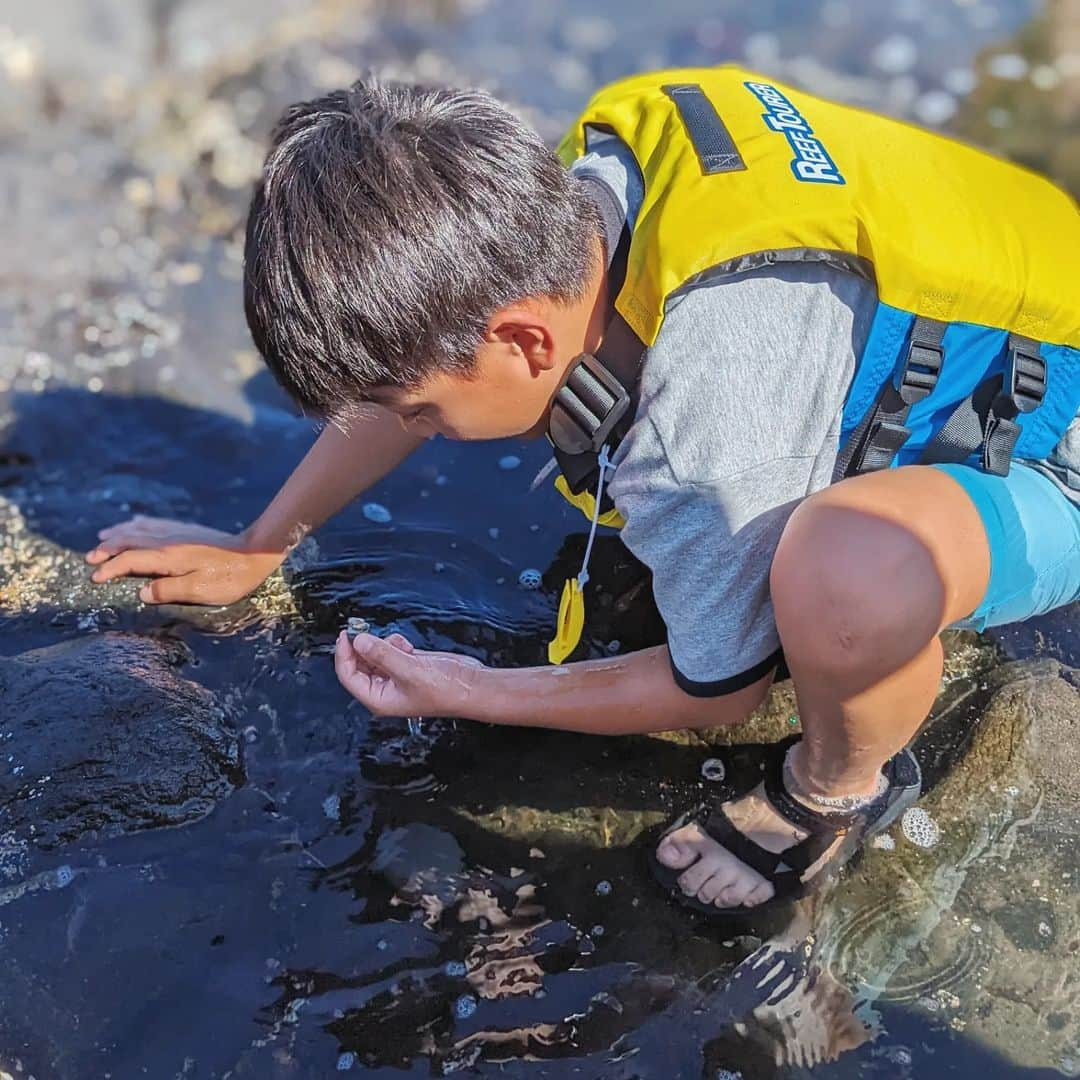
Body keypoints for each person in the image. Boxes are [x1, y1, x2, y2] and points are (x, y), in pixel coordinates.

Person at [87, 67, 1080, 915]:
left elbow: (717, 689)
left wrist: (467, 689)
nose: (416, 428)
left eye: (424, 414)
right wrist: (264, 538)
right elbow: (401, 373)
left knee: (845, 574)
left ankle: (837, 792)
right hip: (1027, 253)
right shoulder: (599, 165)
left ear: (524, 338)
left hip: (1058, 451)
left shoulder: (707, 424)